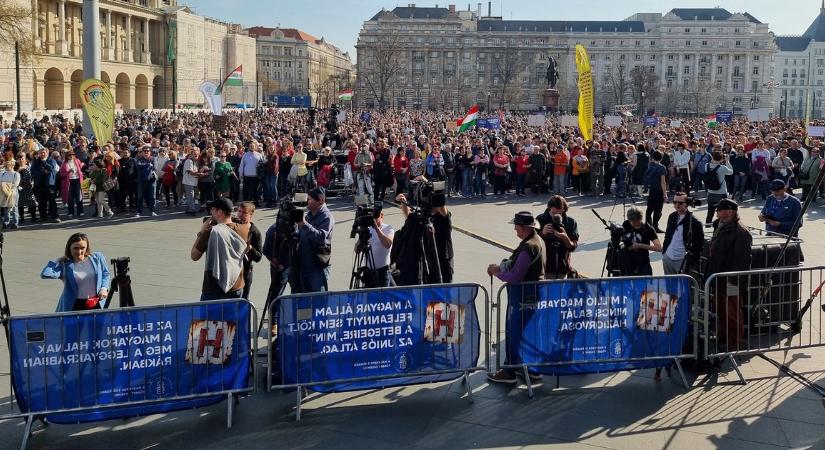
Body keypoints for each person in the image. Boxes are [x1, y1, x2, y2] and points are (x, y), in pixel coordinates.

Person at [486, 211, 546, 384]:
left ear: (524, 228)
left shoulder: (528, 247)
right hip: (534, 293)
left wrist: (497, 272)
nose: (514, 229)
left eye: (516, 226)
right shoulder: (538, 240)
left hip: (523, 296)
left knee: (514, 332)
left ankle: (510, 370)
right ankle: (531, 368)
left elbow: (515, 276)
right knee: (529, 331)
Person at [705, 199, 752, 352]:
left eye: (720, 209)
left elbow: (742, 260)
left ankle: (734, 342)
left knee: (732, 312)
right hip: (718, 277)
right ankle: (722, 337)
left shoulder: (741, 232)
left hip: (731, 280)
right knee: (720, 310)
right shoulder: (720, 226)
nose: (717, 212)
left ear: (730, 211)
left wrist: (733, 282)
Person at [190, 197, 250, 301]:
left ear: (220, 212)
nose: (210, 212)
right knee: (232, 317)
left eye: (212, 209)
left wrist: (202, 231)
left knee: (209, 317)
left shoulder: (211, 232)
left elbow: (194, 255)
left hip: (213, 288)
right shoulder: (244, 229)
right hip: (236, 285)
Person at [41, 233, 111, 311]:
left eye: (82, 248)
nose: (79, 251)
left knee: (98, 323)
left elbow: (105, 274)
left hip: (95, 302)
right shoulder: (65, 265)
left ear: (87, 247)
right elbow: (45, 274)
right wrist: (57, 260)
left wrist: (104, 288)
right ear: (69, 248)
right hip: (74, 304)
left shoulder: (97, 257)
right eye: (75, 248)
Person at [294, 187, 335, 293]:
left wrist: (304, 224)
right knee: (305, 302)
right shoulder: (309, 215)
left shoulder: (327, 216)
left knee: (318, 300)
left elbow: (321, 237)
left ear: (320, 200)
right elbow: (302, 234)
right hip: (304, 264)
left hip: (317, 266)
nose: (307, 202)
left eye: (310, 199)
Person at [535, 195, 578, 279]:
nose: (557, 216)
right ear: (549, 208)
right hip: (543, 267)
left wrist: (565, 238)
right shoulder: (540, 219)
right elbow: (533, 244)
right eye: (554, 213)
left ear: (564, 210)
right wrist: (542, 234)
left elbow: (572, 247)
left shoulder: (570, 222)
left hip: (562, 267)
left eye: (560, 214)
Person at [661, 192, 704, 275]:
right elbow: (668, 235)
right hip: (668, 257)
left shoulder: (695, 222)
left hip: (682, 259)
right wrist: (664, 252)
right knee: (669, 285)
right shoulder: (672, 216)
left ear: (686, 204)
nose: (677, 205)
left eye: (680, 203)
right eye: (674, 202)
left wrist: (691, 260)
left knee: (683, 286)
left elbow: (699, 244)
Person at [619, 207, 662, 276]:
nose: (632, 223)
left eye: (635, 220)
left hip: (642, 261)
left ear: (641, 218)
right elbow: (621, 240)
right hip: (627, 261)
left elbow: (659, 248)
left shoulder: (648, 229)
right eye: (630, 220)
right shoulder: (626, 224)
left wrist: (640, 245)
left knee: (645, 284)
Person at [358, 207, 395, 287]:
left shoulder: (388, 228)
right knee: (370, 297)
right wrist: (361, 231)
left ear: (382, 215)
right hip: (368, 272)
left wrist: (377, 229)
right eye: (371, 217)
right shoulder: (367, 229)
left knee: (383, 298)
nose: (373, 219)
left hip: (383, 272)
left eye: (375, 217)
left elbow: (388, 244)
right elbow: (357, 250)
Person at [236, 202, 262, 300]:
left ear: (251, 215)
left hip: (245, 271)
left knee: (243, 300)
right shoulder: (233, 226)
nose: (240, 215)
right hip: (231, 270)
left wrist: (250, 248)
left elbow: (259, 257)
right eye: (239, 211)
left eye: (244, 213)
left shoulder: (255, 232)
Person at [30, 148, 60, 222]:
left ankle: (55, 216)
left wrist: (44, 162)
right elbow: (33, 171)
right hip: (39, 184)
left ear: (47, 153)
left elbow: (51, 169)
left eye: (44, 152)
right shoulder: (35, 161)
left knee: (52, 201)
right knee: (41, 201)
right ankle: (43, 217)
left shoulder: (51, 160)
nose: (42, 154)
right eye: (40, 153)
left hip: (50, 184)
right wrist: (43, 172)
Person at [704, 151, 733, 225]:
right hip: (721, 193)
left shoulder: (706, 165)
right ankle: (722, 226)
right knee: (722, 212)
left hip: (710, 192)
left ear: (712, 157)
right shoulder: (722, 167)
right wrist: (727, 161)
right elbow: (731, 172)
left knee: (710, 211)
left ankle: (707, 225)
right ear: (721, 159)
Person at [644, 150, 668, 233]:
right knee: (658, 211)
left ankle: (647, 225)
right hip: (659, 191)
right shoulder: (662, 168)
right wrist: (665, 194)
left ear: (653, 157)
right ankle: (655, 227)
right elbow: (663, 182)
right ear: (661, 158)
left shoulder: (650, 165)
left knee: (649, 210)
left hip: (652, 190)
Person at [134, 146, 158, 217]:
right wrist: (148, 166)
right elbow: (138, 168)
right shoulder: (139, 159)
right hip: (141, 181)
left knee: (152, 196)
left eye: (147, 151)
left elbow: (155, 168)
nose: (146, 152)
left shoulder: (153, 159)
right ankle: (139, 212)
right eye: (144, 151)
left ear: (150, 152)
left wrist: (145, 166)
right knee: (140, 197)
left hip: (151, 181)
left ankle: (152, 211)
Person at [59, 150, 84, 217]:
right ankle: (71, 212)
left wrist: (81, 167)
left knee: (79, 197)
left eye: (72, 155)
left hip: (77, 180)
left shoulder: (77, 160)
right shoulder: (64, 163)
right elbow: (61, 174)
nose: (71, 156)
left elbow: (80, 168)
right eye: (69, 155)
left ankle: (80, 211)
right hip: (69, 181)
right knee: (70, 197)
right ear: (66, 156)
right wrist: (69, 171)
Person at [16, 153, 37, 225]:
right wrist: (19, 170)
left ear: (25, 160)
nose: (21, 160)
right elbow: (14, 176)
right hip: (20, 188)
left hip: (28, 187)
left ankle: (33, 217)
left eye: (22, 158)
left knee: (32, 202)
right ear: (17, 160)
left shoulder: (29, 167)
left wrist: (33, 182)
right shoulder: (15, 168)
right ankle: (21, 218)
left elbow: (33, 176)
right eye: (19, 159)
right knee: (20, 203)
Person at [0, 159, 20, 229]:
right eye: (5, 165)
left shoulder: (16, 174)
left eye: (7, 165)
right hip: (4, 192)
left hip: (13, 192)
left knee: (14, 207)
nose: (5, 166)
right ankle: (6, 222)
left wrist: (5, 185)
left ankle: (15, 222)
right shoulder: (2, 173)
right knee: (6, 207)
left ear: (12, 166)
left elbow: (16, 184)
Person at [182, 148, 202, 215]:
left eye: (197, 154)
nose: (196, 155)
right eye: (194, 154)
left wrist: (199, 173)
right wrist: (200, 174)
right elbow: (190, 172)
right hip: (188, 182)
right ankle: (192, 210)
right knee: (190, 196)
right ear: (191, 154)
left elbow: (195, 172)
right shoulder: (189, 161)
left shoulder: (195, 162)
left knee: (190, 196)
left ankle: (189, 209)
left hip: (193, 182)